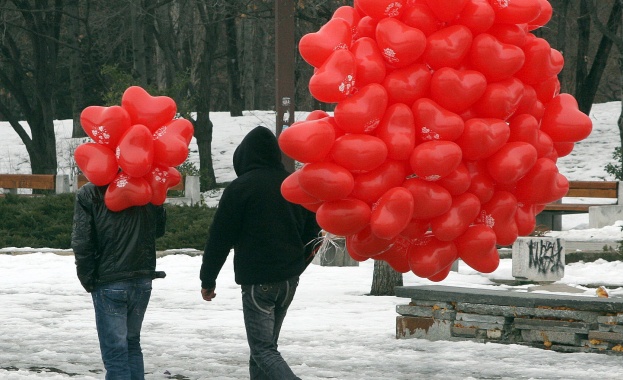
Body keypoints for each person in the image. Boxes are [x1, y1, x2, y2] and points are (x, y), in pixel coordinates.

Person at [200, 125, 320, 380]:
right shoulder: (294, 185)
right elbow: (315, 232)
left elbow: (219, 239)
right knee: (264, 351)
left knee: (263, 350)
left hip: (259, 282)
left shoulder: (241, 188)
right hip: (288, 280)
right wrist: (298, 264)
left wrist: (208, 280)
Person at [71, 182, 167, 380]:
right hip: (142, 276)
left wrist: (87, 277)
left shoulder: (91, 192)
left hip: (108, 279)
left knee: (115, 351)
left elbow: (82, 240)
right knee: (132, 343)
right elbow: (158, 229)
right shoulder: (146, 184)